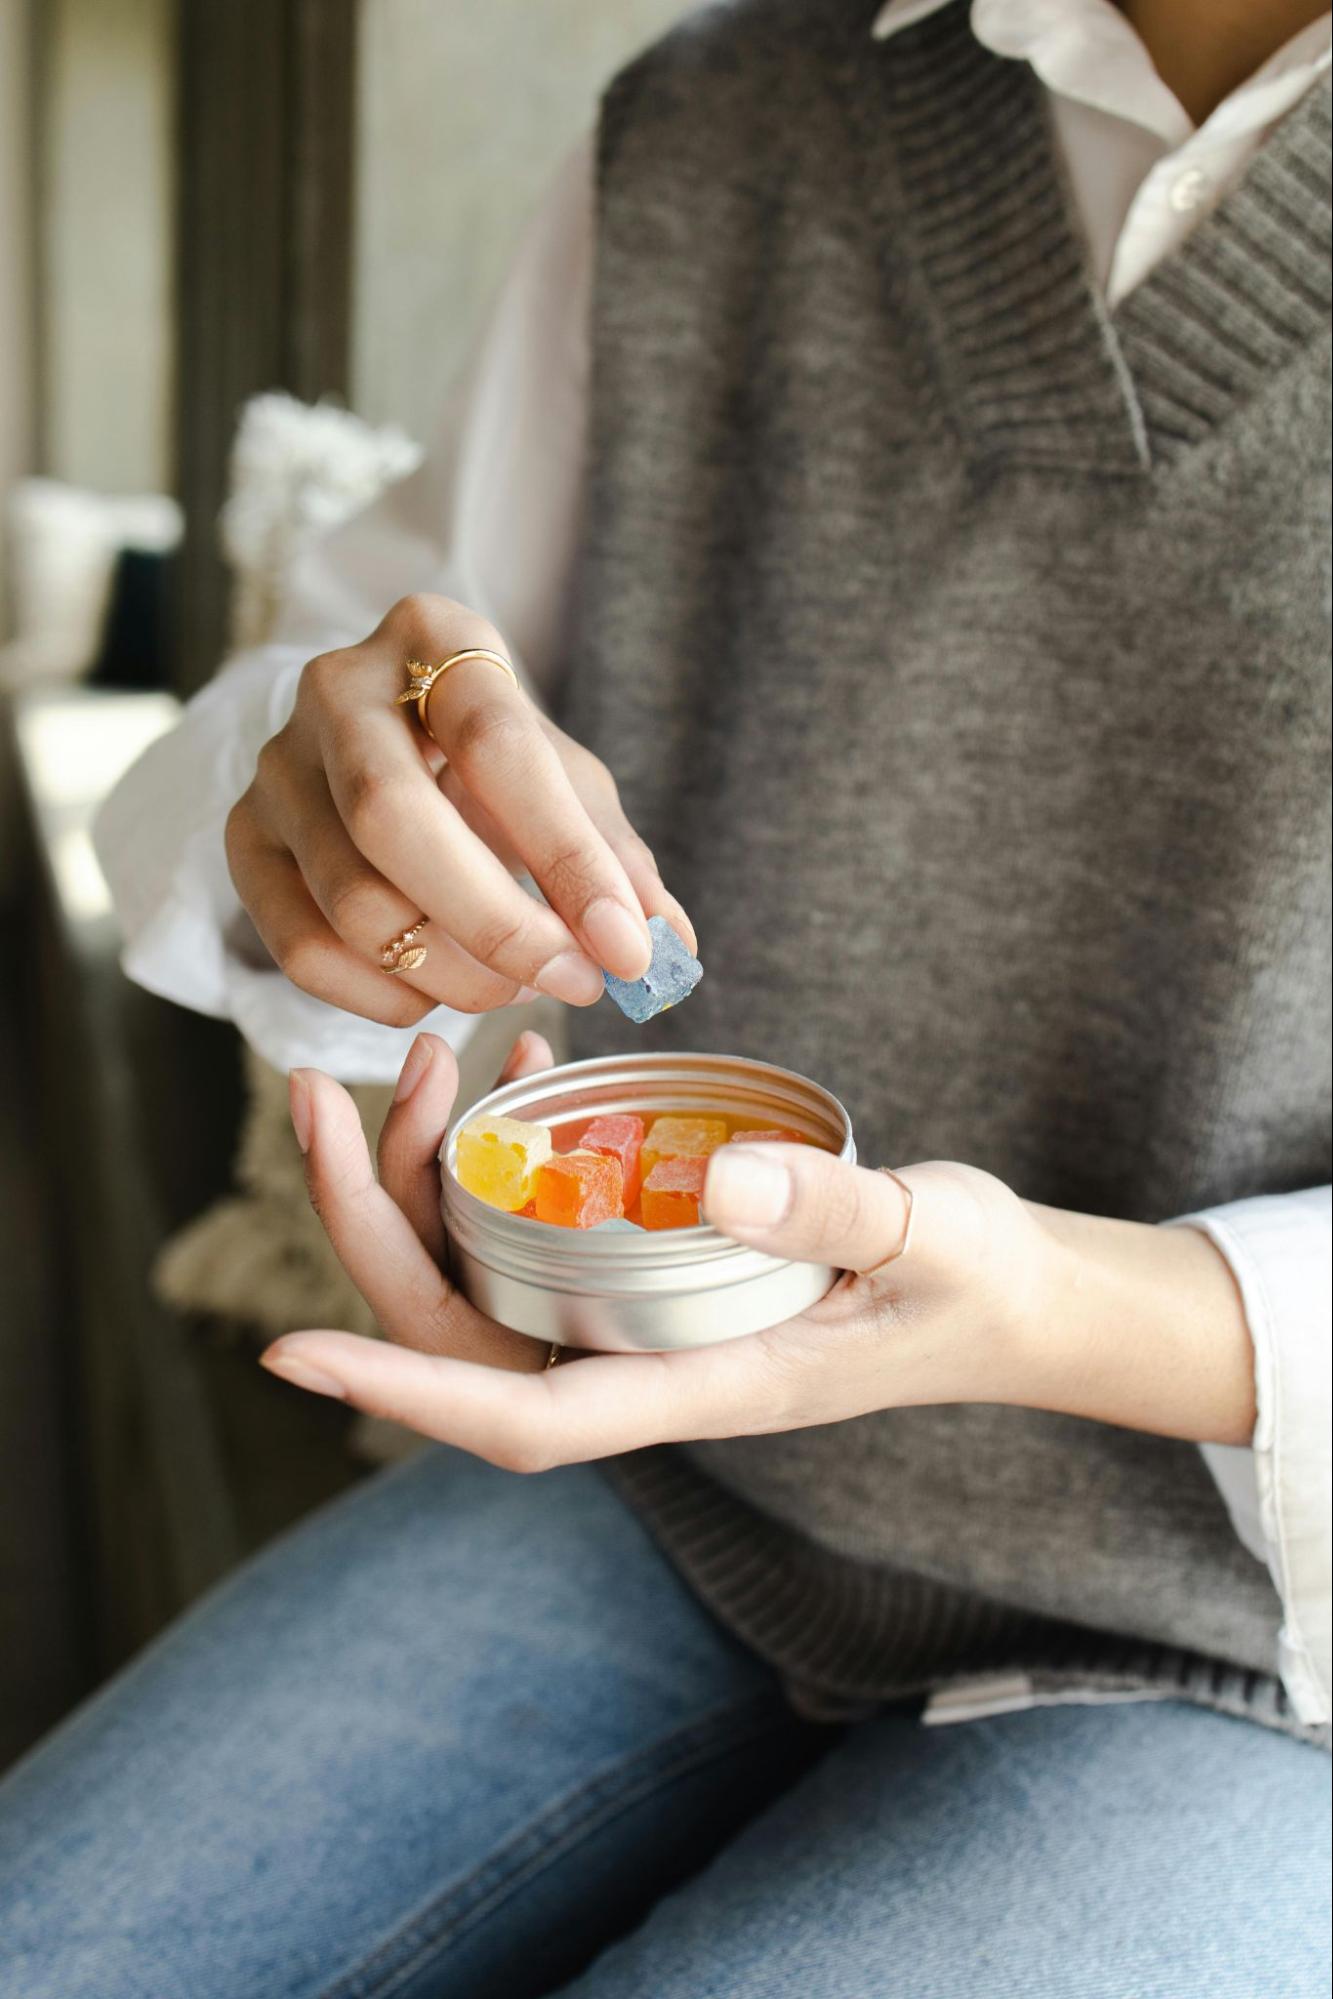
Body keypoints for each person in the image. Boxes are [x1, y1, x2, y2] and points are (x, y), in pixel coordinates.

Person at [3, 1, 1330, 1993]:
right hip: (663, 1480)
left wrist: (1057, 1312)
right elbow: (340, 730)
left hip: (1251, 1650)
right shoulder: (718, 124)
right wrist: (325, 824)